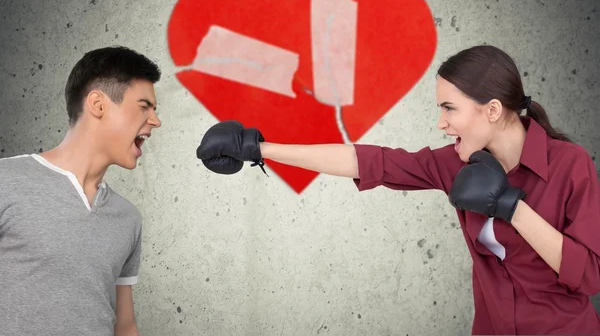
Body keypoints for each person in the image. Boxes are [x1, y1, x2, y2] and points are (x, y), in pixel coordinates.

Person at [197, 45, 600, 335]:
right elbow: (370, 161)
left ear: (492, 110)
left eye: (449, 108)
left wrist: (513, 207)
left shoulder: (570, 164)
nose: (441, 123)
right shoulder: (456, 162)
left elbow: (589, 277)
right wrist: (258, 147)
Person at [0, 46, 162, 336]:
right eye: (144, 106)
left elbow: (125, 325)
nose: (155, 120)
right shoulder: (6, 181)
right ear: (98, 104)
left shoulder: (128, 218)